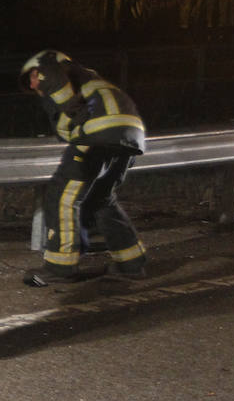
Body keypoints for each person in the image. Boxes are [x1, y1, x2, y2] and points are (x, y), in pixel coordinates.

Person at [18, 50, 148, 285]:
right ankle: (132, 264)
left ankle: (60, 268)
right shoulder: (91, 79)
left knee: (62, 198)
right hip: (130, 137)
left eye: (33, 79)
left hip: (97, 135)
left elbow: (55, 83)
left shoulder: (50, 67)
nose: (34, 85)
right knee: (102, 199)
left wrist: (74, 112)